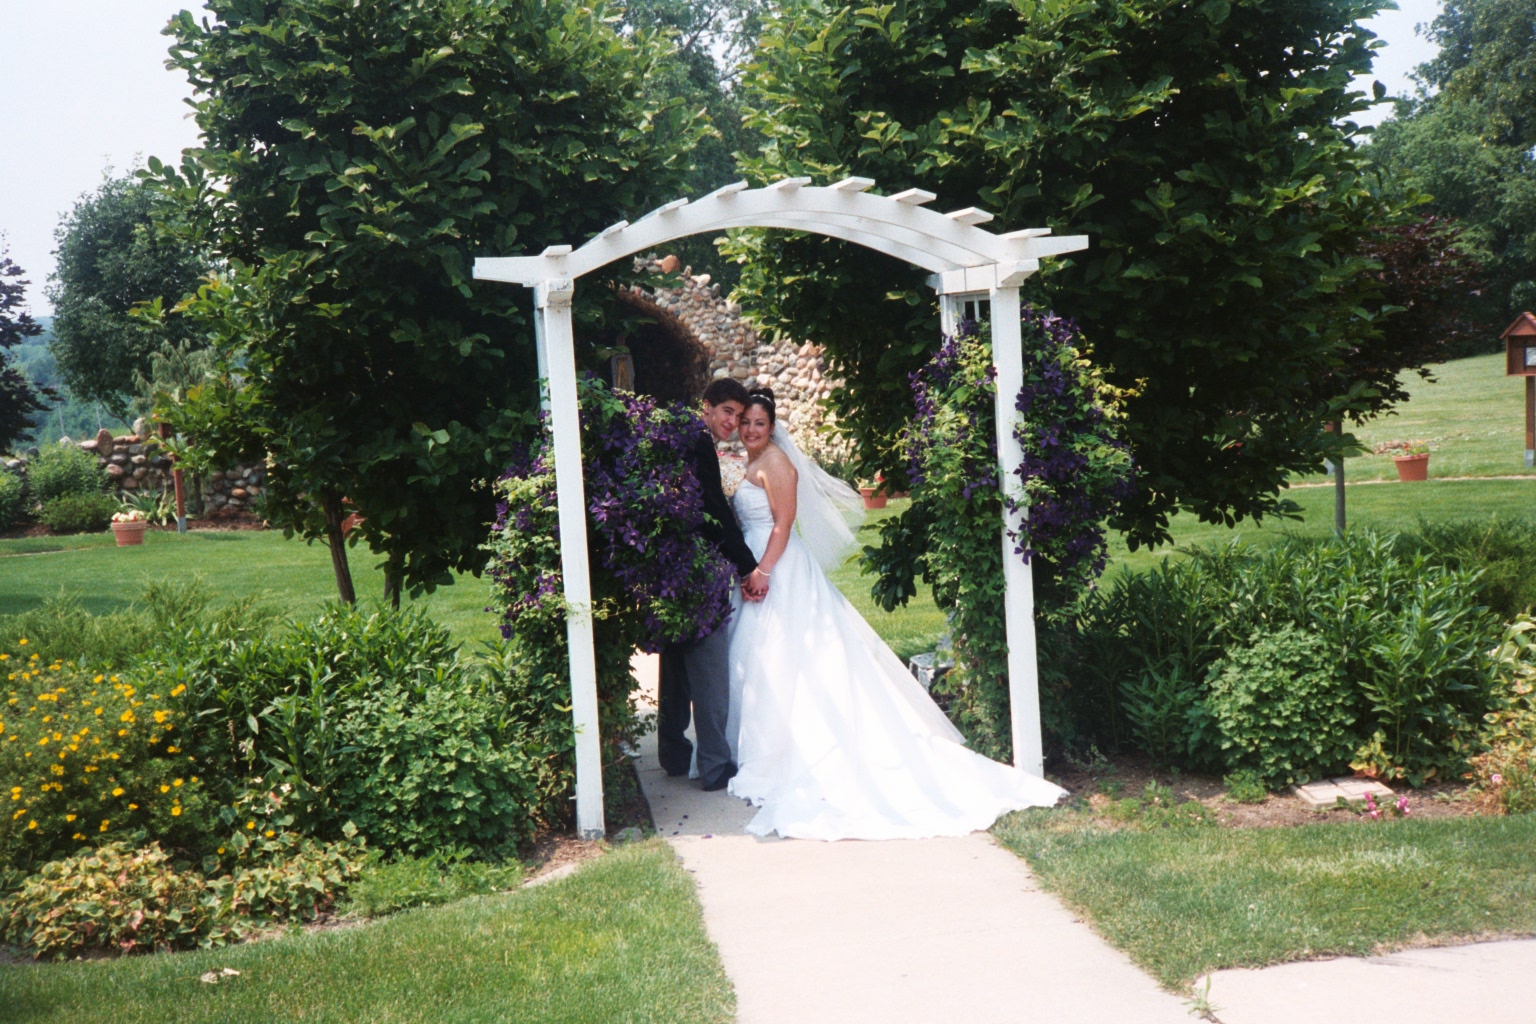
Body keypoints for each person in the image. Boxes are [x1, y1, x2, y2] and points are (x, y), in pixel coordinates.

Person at [724, 387, 1066, 839]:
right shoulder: (748, 462)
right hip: (756, 563)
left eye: (759, 424)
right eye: (746, 422)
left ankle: (793, 751)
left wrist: (763, 570)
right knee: (764, 660)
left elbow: (784, 524)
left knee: (791, 659)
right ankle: (762, 747)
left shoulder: (777, 464)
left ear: (772, 428)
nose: (750, 430)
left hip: (778, 568)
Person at [656, 377, 764, 791]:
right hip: (698, 570)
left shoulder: (679, 434)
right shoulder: (700, 442)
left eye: (739, 415)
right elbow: (713, 511)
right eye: (727, 412)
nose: (733, 422)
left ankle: (672, 754)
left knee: (675, 667)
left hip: (670, 569)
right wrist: (746, 564)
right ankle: (716, 766)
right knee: (709, 671)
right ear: (707, 407)